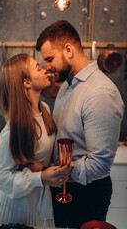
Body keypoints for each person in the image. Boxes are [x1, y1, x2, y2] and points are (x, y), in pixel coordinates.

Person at [36, 20, 124, 228]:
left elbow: (99, 164)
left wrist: (52, 173)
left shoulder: (100, 92)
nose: (47, 67)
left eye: (49, 59)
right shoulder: (67, 87)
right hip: (63, 188)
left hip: (86, 196)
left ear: (68, 50)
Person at [0, 53, 71, 228]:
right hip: (16, 209)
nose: (45, 70)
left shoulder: (45, 109)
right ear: (26, 82)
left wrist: (48, 170)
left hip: (41, 203)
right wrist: (41, 177)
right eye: (37, 67)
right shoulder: (15, 127)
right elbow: (0, 177)